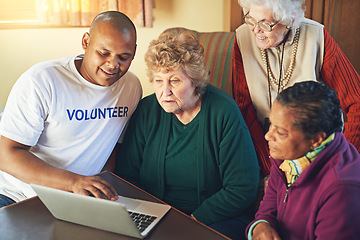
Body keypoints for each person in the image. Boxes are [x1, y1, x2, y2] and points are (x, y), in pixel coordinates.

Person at [115, 31, 260, 240]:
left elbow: (242, 187)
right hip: (156, 218)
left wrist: (193, 219)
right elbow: (127, 177)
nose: (165, 92)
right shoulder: (147, 110)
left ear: (195, 81)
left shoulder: (223, 112)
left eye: (174, 81)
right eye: (158, 80)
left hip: (214, 220)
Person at [0, 11, 142, 208]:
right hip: (17, 197)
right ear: (86, 42)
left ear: (134, 52)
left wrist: (102, 190)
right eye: (104, 53)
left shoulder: (131, 87)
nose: (112, 64)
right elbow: (6, 155)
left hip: (77, 202)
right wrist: (74, 182)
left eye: (124, 57)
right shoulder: (41, 81)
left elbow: (114, 145)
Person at [232, 0, 360, 177]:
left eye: (265, 23)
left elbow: (357, 103)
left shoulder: (316, 36)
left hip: (318, 155)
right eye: (251, 19)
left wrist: (344, 161)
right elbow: (245, 109)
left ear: (289, 21)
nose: (255, 29)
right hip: (268, 153)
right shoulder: (242, 38)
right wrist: (271, 171)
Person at [246, 81, 360, 240]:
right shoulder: (287, 157)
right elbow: (268, 208)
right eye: (271, 124)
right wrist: (261, 225)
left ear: (316, 139)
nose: (267, 136)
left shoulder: (342, 189)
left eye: (280, 132)